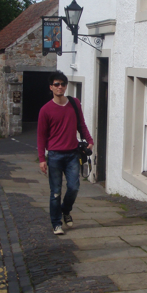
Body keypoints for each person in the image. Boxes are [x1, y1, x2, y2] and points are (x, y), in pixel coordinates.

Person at [37, 71, 93, 236]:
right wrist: (42, 159)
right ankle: (56, 224)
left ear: (66, 86)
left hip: (72, 154)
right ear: (51, 87)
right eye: (56, 84)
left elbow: (81, 125)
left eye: (62, 84)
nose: (60, 87)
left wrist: (90, 140)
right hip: (55, 155)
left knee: (74, 187)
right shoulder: (45, 110)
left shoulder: (74, 103)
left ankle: (65, 210)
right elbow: (41, 136)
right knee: (55, 192)